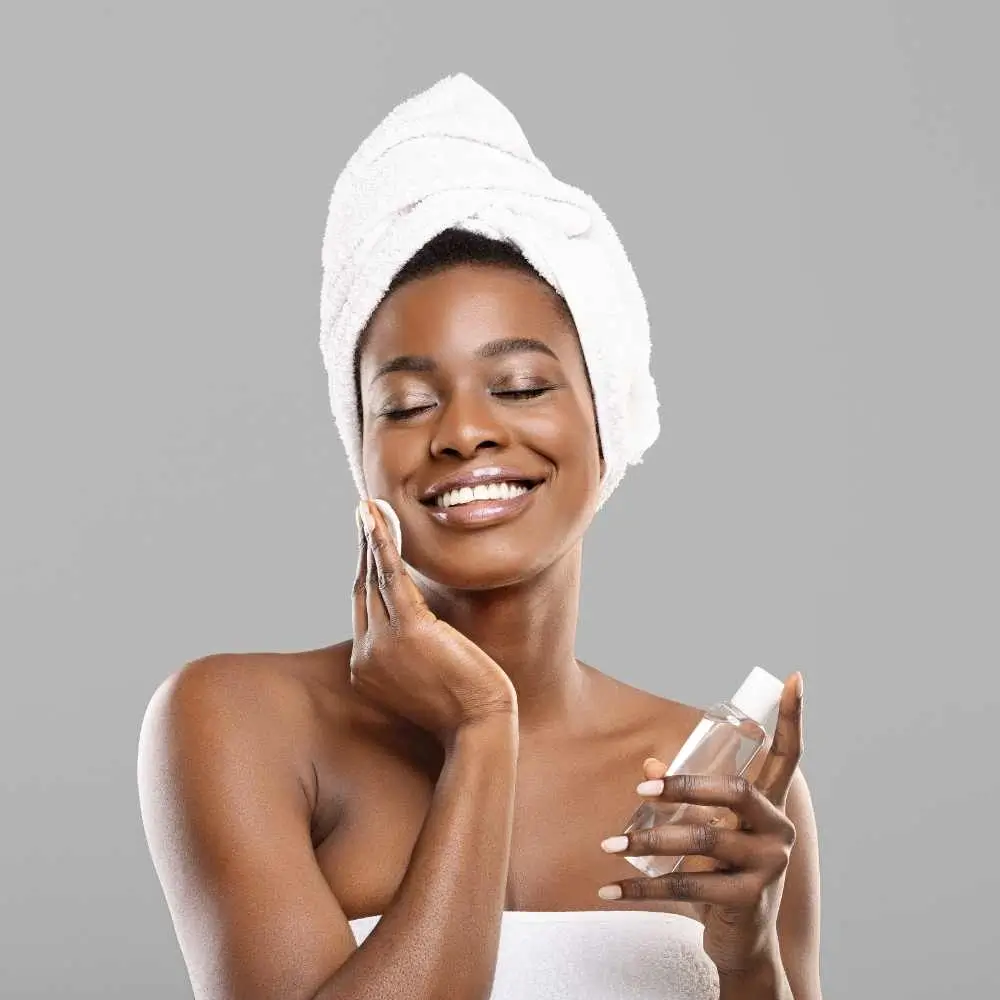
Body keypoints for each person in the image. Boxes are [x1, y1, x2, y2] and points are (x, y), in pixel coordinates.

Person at [138, 76, 821, 1000]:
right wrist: (480, 731)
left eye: (521, 386)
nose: (463, 431)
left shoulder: (711, 787)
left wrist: (749, 960)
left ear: (603, 421)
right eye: (410, 404)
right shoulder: (239, 721)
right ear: (364, 451)